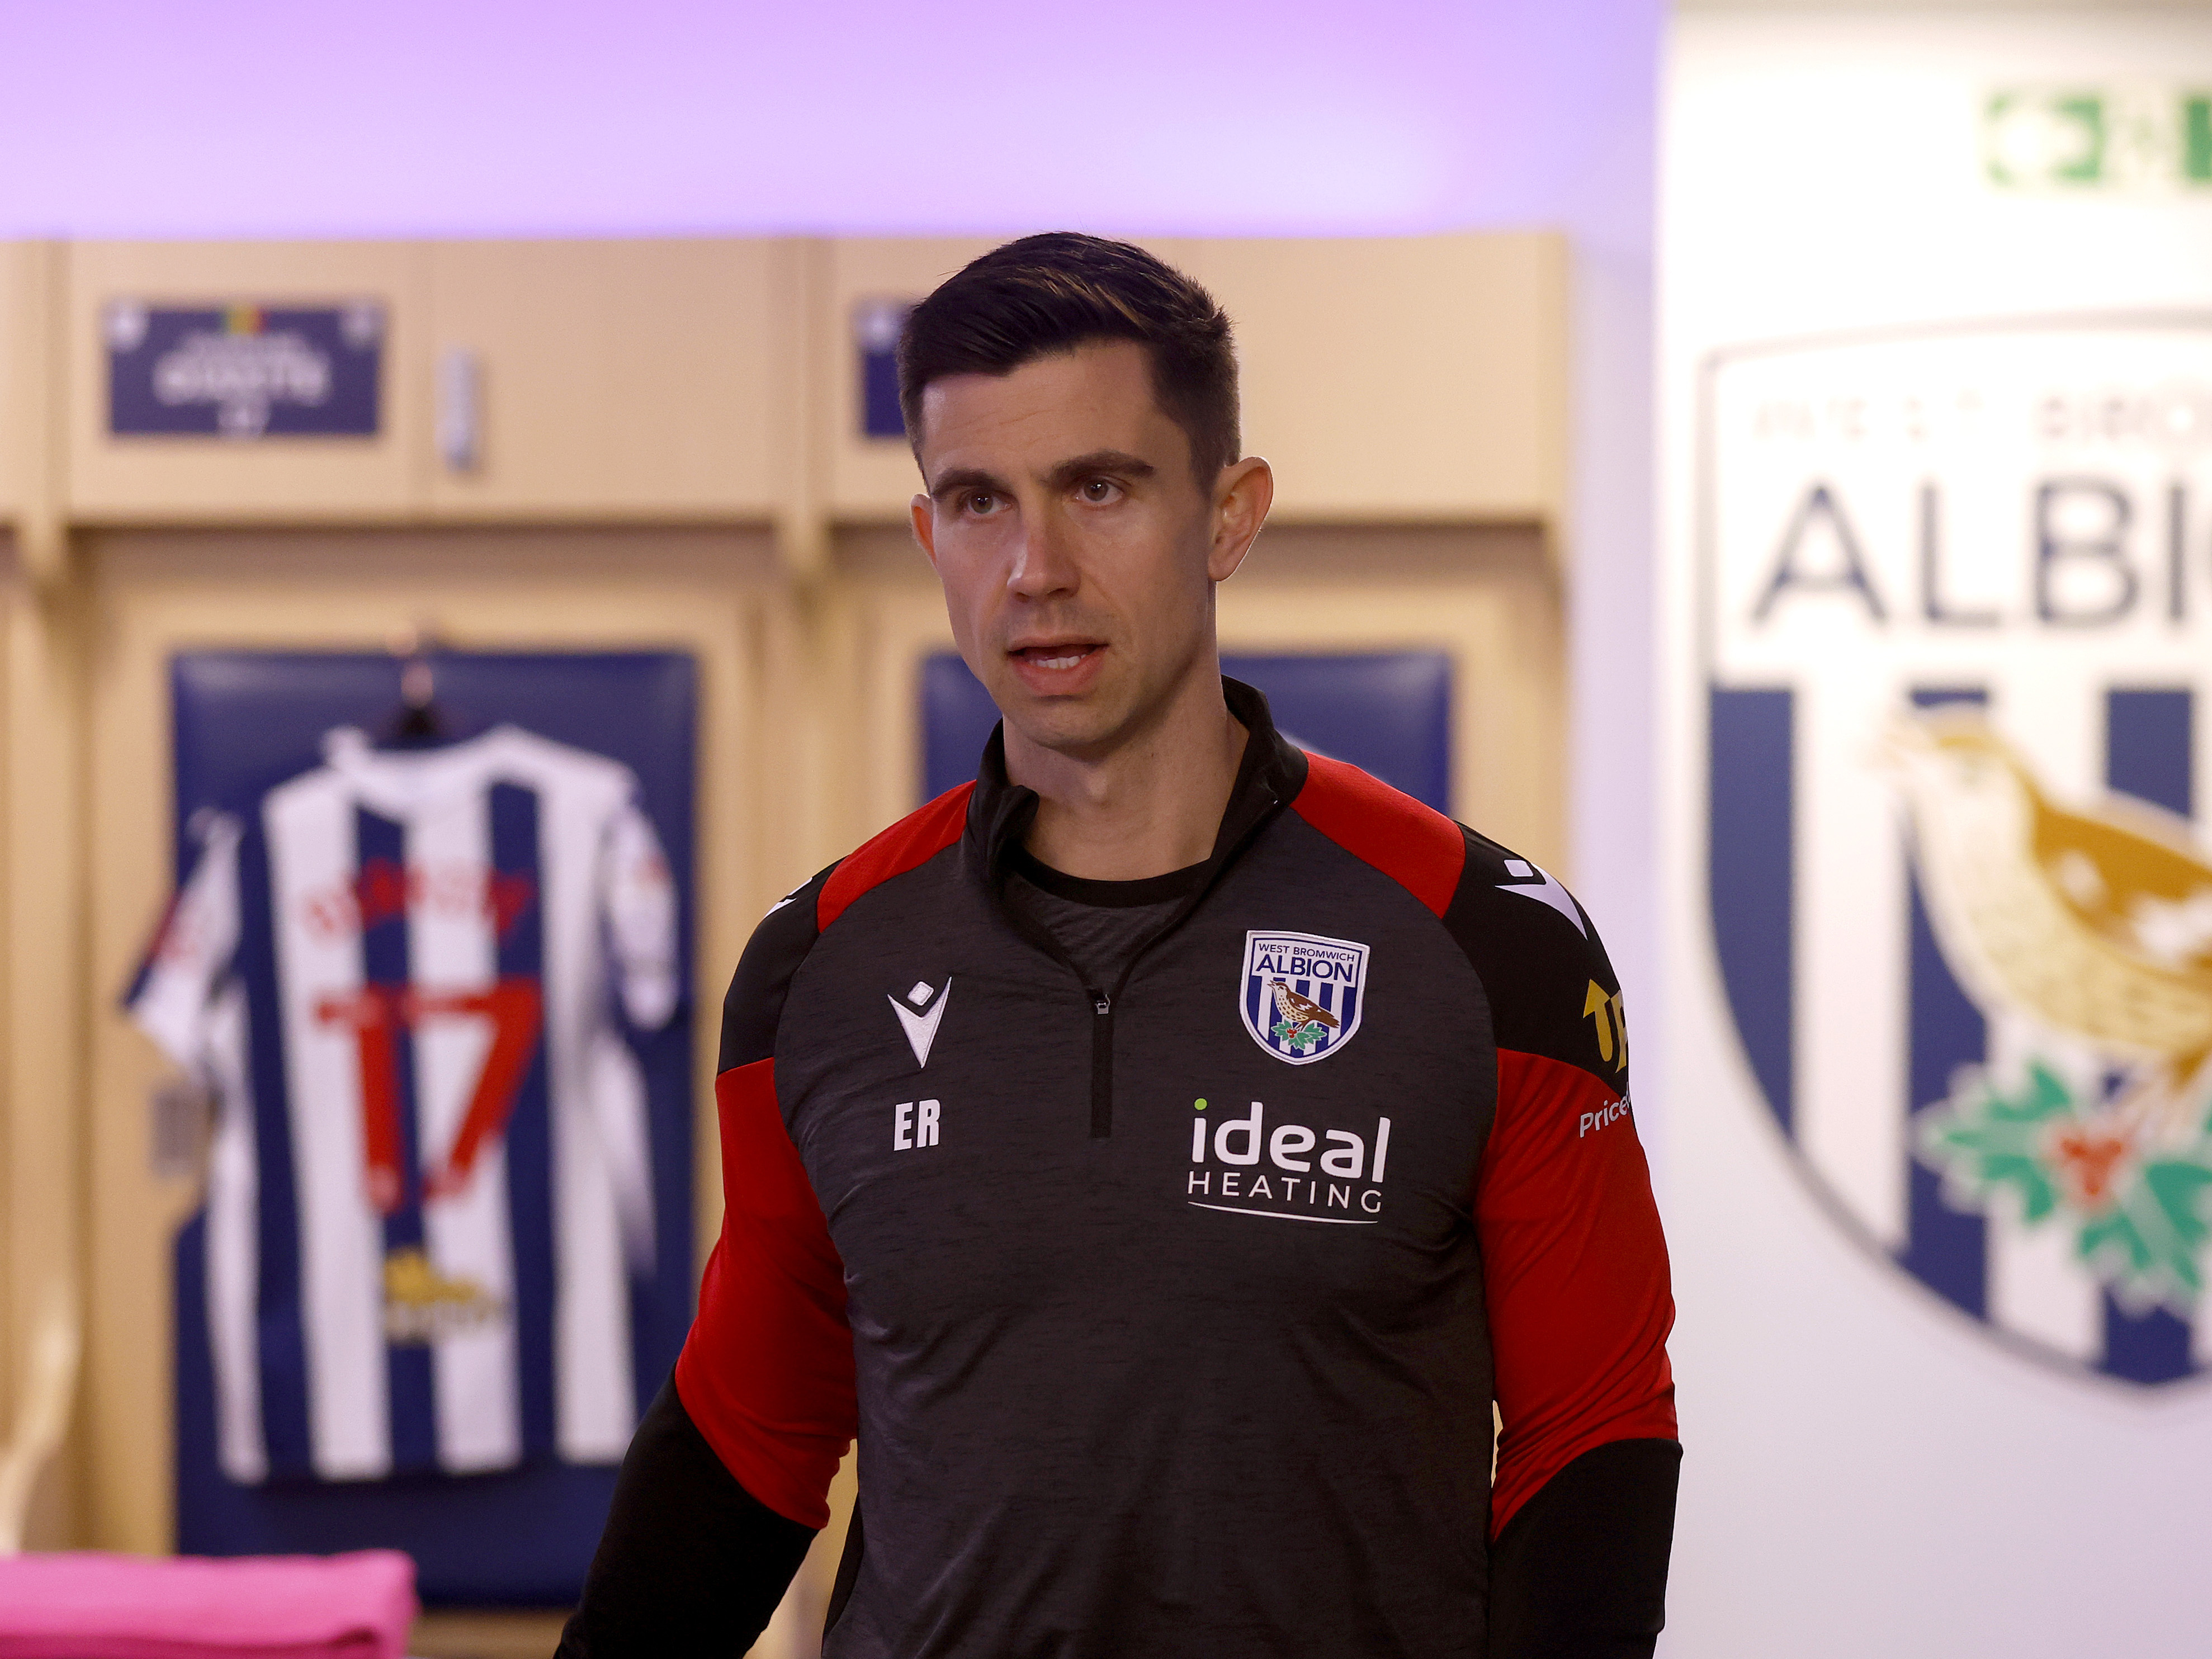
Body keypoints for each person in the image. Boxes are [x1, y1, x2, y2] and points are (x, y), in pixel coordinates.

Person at [559, 233, 1678, 1658]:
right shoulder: (814, 967)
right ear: (929, 538)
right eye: (978, 501)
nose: (1036, 568)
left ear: (1227, 514)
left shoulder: (1488, 942)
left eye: (1100, 488)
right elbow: (746, 1430)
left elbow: (1596, 1429)